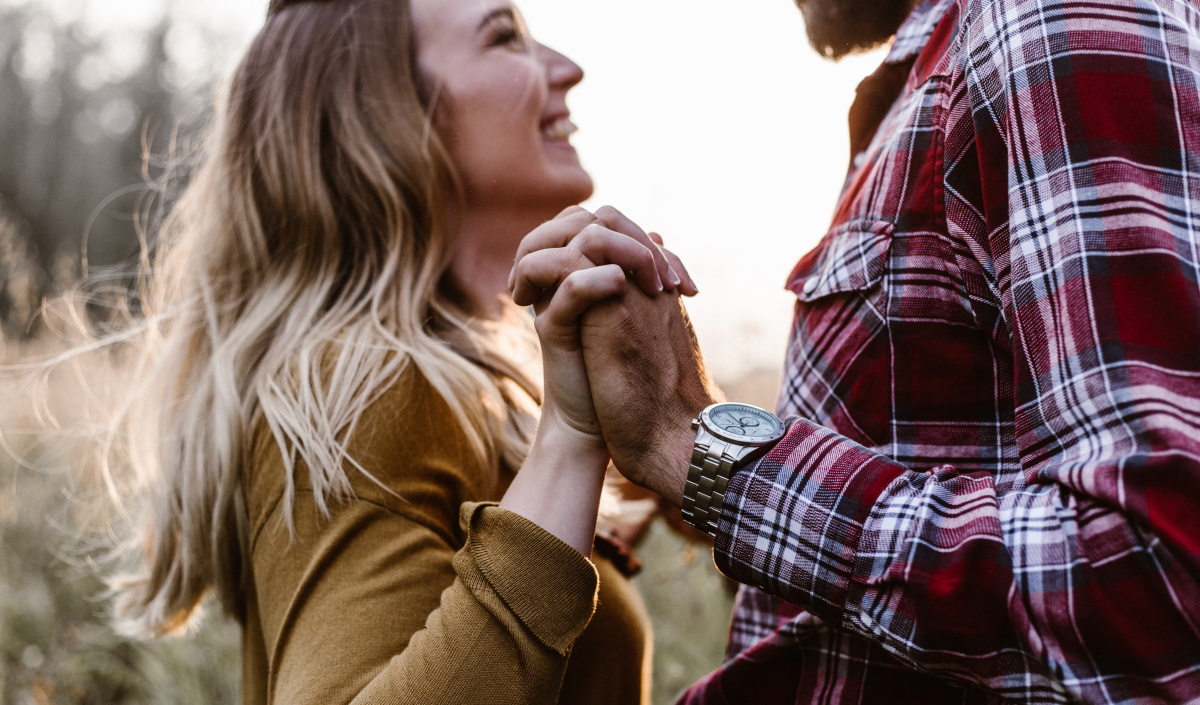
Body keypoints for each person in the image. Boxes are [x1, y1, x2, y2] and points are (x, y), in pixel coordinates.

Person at [511, 0, 1200, 701]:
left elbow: (1156, 583)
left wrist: (691, 446)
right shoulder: (943, 70)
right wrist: (709, 463)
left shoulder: (1041, 22)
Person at [87, 0, 696, 703]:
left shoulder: (464, 387)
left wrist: (672, 441)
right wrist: (570, 445)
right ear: (385, 113)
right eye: (505, 37)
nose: (566, 68)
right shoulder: (369, 385)